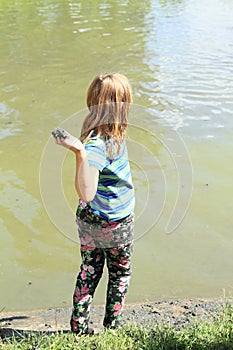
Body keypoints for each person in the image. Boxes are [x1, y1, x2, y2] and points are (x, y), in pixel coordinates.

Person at [53, 73, 135, 335]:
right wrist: (79, 151)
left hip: (91, 219)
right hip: (115, 222)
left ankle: (79, 327)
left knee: (90, 269)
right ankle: (112, 329)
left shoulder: (111, 132)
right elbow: (87, 192)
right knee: (119, 273)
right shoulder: (99, 144)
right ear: (122, 105)